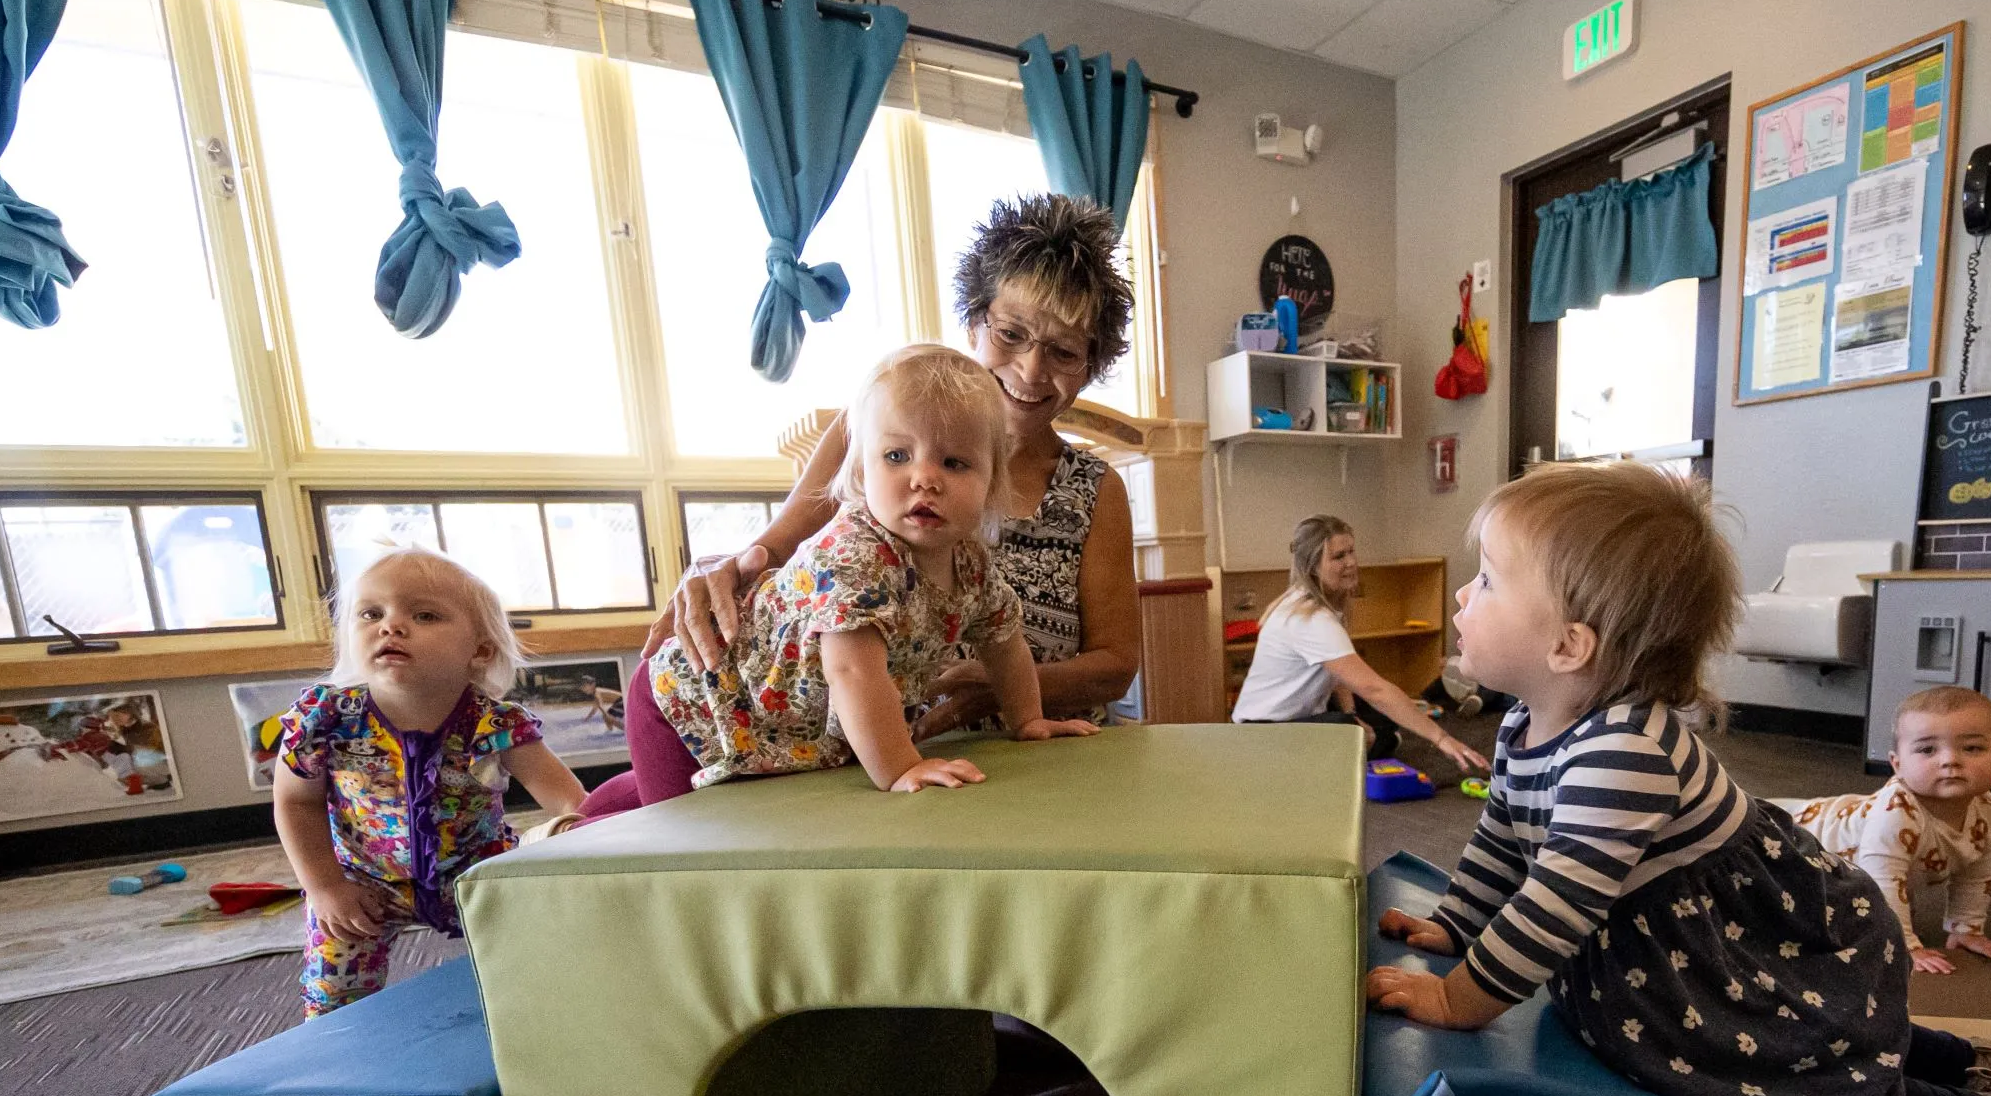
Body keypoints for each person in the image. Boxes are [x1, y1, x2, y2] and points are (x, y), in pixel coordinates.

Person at [1364, 462, 1991, 1096]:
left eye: (1486, 581)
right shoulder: (1529, 720)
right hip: (1667, 948)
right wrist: (1458, 922)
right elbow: (1505, 838)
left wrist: (1459, 998)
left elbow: (1556, 901)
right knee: (1817, 1041)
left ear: (1569, 644)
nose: (1461, 597)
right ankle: (1981, 1062)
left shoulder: (1620, 753)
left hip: (1737, 942)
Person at [655, 193, 1141, 734]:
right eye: (1011, 334)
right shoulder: (871, 431)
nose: (1030, 370)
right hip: (875, 756)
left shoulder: (1093, 490)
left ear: (1091, 365)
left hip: (1039, 745)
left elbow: (1115, 666)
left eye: (1065, 352)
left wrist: (988, 684)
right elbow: (777, 550)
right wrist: (723, 571)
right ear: (974, 325)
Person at [578, 344, 1096, 817]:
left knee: (699, 792)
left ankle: (592, 813)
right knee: (685, 830)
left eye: (955, 462)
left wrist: (1027, 719)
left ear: (991, 483)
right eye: (897, 456)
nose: (924, 478)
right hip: (689, 703)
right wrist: (899, 768)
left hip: (770, 728)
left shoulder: (971, 564)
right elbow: (851, 671)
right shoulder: (855, 557)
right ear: (861, 471)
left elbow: (1004, 641)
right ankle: (578, 825)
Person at [273, 548, 587, 1017]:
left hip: (475, 873)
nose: (390, 626)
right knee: (333, 994)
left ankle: (536, 1027)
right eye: (371, 613)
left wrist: (580, 839)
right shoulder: (326, 719)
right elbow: (295, 803)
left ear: (479, 650)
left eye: (424, 615)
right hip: (361, 881)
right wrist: (324, 886)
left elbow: (568, 799)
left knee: (536, 968)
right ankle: (339, 1060)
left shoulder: (495, 723)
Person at [1231, 514, 1487, 774]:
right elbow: (1373, 688)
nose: (1351, 563)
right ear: (1312, 567)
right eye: (1338, 557)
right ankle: (1351, 750)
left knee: (1380, 722)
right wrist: (1441, 738)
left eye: (1351, 552)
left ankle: (1364, 744)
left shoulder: (1322, 608)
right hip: (1262, 733)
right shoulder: (1310, 619)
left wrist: (1354, 712)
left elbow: (1339, 675)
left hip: (1299, 717)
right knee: (1352, 727)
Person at [1784, 686, 1991, 976]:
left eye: (1972, 748)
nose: (1950, 760)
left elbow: (1976, 872)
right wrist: (1905, 944)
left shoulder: (1987, 809)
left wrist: (1967, 928)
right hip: (1796, 840)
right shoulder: (1896, 814)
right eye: (1928, 749)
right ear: (1897, 765)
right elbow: (1882, 881)